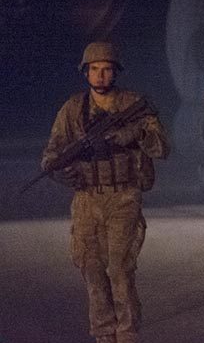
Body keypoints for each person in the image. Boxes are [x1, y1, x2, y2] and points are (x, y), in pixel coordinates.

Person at [41, 41, 170, 343]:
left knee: (121, 273)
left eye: (106, 70)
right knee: (93, 273)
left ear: (115, 73)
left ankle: (126, 335)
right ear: (86, 73)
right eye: (94, 70)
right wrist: (61, 172)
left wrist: (133, 134)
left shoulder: (132, 104)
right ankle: (103, 336)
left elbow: (162, 147)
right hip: (87, 199)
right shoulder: (73, 109)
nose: (100, 76)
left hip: (123, 197)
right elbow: (51, 155)